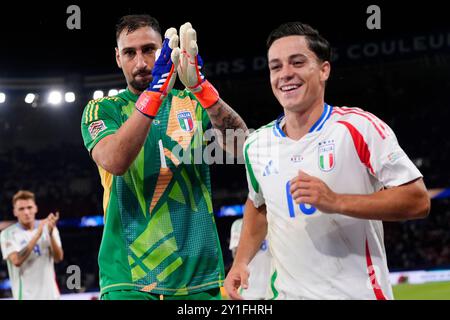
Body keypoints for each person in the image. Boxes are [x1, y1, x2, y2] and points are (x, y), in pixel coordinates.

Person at [224, 22, 430, 300]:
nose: (285, 74)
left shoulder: (359, 127)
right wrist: (241, 261)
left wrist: (335, 201)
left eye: (297, 62)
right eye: (276, 66)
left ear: (324, 70)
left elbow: (418, 200)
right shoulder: (256, 144)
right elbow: (258, 203)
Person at [80, 15, 247, 300]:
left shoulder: (192, 102)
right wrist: (156, 94)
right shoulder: (102, 109)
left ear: (168, 51)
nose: (142, 62)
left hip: (198, 276)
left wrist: (202, 89)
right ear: (118, 58)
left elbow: (241, 147)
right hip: (129, 278)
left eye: (150, 50)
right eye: (130, 53)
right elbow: (115, 161)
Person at [0, 190, 63, 300]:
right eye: (21, 209)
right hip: (25, 297)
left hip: (52, 296)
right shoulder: (7, 234)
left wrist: (50, 234)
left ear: (35, 208)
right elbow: (17, 261)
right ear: (15, 212)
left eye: (29, 207)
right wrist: (37, 235)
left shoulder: (49, 227)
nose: (26, 212)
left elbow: (58, 258)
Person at [229, 218, 271, 299]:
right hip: (247, 290)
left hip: (271, 289)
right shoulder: (239, 224)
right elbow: (237, 257)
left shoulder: (276, 221)